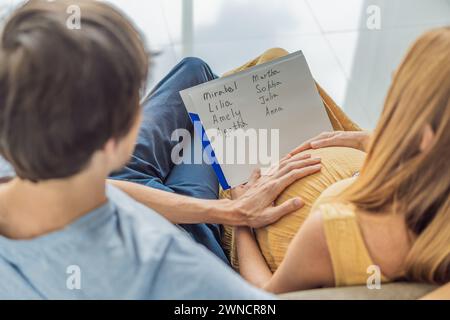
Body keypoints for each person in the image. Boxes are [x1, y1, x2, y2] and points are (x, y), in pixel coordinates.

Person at [0, 0, 322, 299]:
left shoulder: (46, 178)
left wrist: (227, 211)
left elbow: (104, 188)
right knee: (214, 114)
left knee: (195, 73)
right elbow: (262, 303)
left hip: (128, 188)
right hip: (192, 237)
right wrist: (239, 225)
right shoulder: (177, 268)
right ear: (119, 136)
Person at [233, 27, 450, 293]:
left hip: (256, 206)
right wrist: (366, 141)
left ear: (424, 137)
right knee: (274, 60)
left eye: (398, 95)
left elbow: (263, 294)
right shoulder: (432, 190)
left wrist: (240, 218)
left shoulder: (330, 233)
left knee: (233, 80)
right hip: (368, 161)